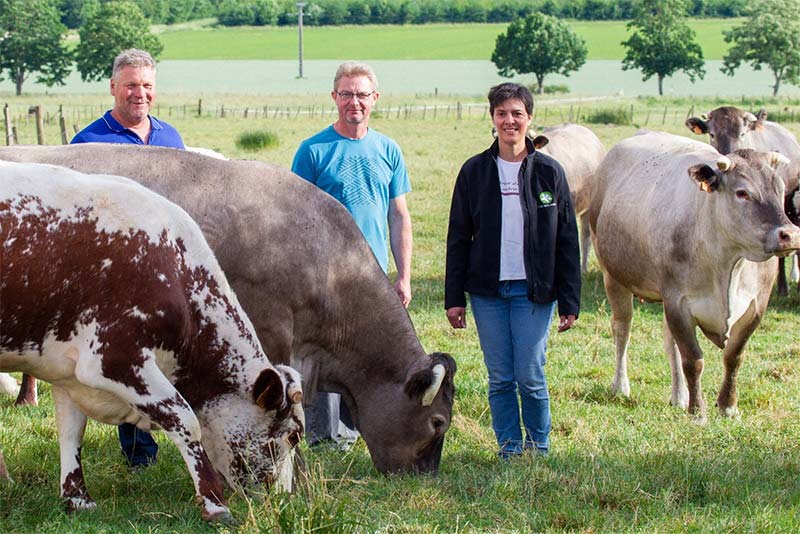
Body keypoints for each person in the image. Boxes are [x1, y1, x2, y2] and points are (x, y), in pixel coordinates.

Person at [444, 83, 580, 459]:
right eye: (502, 113)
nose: (509, 121)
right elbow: (458, 237)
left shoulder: (550, 173)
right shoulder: (474, 172)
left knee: (530, 376)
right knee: (501, 378)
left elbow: (567, 239)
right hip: (487, 292)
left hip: (534, 292)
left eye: (517, 113)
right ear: (492, 119)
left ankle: (539, 446)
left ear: (529, 118)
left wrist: (570, 299)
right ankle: (509, 449)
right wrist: (454, 299)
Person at [71, 48, 185, 468]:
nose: (141, 94)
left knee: (163, 352)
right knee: (126, 354)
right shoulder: (88, 143)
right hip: (112, 271)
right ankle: (140, 451)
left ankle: (171, 432)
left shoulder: (171, 138)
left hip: (163, 268)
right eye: (132, 85)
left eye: (148, 86)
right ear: (114, 87)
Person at [291, 61, 413, 449]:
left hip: (373, 275)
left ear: (374, 99)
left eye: (361, 94)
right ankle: (323, 435)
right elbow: (295, 218)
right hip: (323, 275)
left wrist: (404, 275)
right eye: (346, 94)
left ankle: (356, 426)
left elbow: (399, 215)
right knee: (322, 352)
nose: (354, 102)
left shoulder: (388, 149)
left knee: (364, 352)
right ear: (334, 97)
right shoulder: (312, 151)